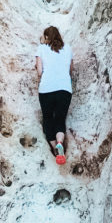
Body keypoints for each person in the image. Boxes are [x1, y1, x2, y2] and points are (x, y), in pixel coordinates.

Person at [34, 26, 73, 165]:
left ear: (46, 37)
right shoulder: (68, 48)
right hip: (65, 89)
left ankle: (54, 149)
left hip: (46, 89)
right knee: (60, 119)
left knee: (48, 119)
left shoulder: (41, 48)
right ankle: (60, 142)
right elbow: (70, 70)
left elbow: (39, 71)